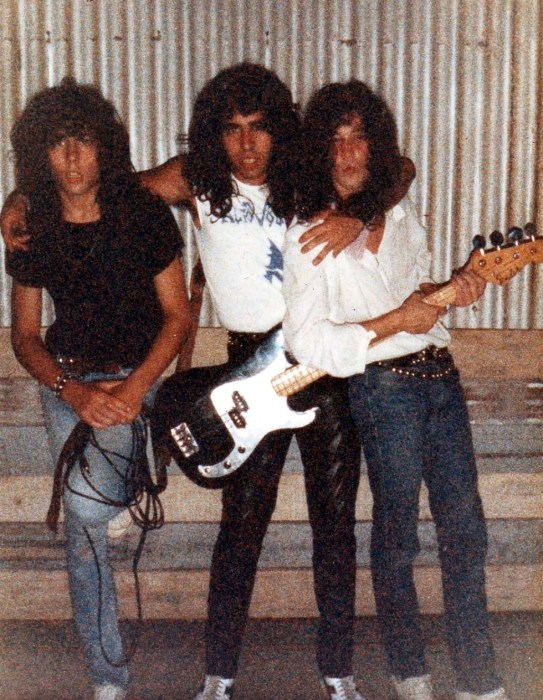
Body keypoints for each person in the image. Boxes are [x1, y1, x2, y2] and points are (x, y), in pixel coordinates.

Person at [2, 64, 414, 700]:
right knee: (241, 529)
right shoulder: (195, 180)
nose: (247, 144)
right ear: (212, 135)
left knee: (335, 527)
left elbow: (398, 169)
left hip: (322, 358)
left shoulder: (307, 173)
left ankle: (340, 673)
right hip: (249, 368)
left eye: (259, 128)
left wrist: (358, 214)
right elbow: (100, 185)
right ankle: (218, 677)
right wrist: (21, 198)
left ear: (279, 130)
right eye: (231, 129)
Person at [282, 80, 509, 700]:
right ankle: (410, 673)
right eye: (334, 141)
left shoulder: (403, 215)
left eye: (358, 138)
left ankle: (479, 678)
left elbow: (421, 300)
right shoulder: (309, 235)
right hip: (381, 389)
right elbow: (308, 343)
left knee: (467, 532)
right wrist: (394, 321)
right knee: (397, 538)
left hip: (441, 379)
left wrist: (457, 287)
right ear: (319, 151)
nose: (347, 153)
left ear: (376, 144)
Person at [6, 78, 190, 700]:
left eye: (83, 140)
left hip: (137, 378)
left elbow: (178, 318)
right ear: (41, 153)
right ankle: (107, 677)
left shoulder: (140, 213)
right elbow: (25, 336)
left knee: (84, 508)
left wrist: (135, 390)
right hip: (68, 382)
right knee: (86, 521)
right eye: (57, 143)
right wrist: (71, 392)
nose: (72, 157)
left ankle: (114, 483)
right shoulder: (32, 225)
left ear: (104, 145)